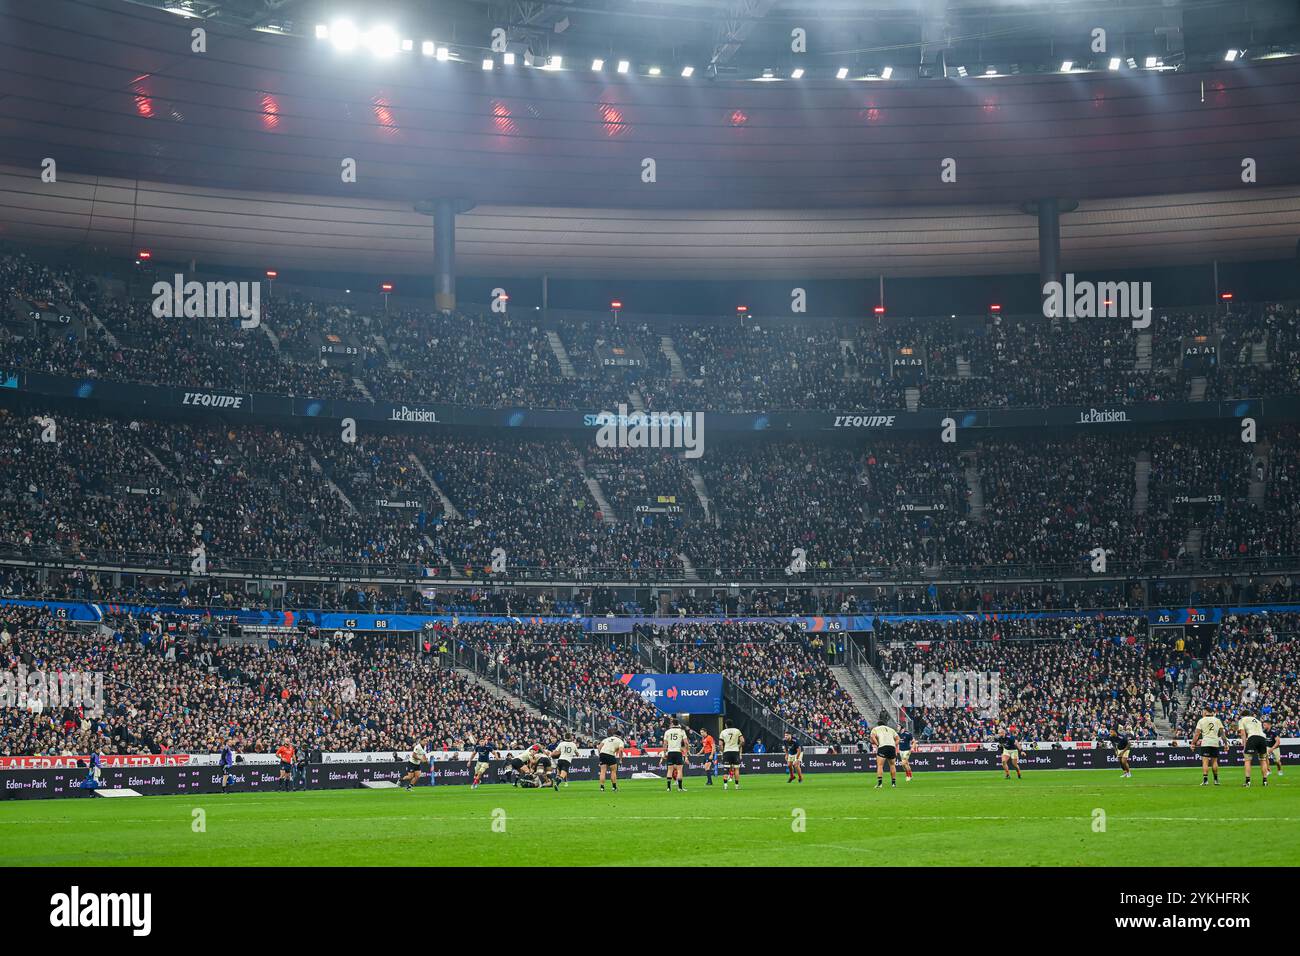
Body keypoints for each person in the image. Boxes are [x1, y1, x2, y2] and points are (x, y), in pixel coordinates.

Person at [1192, 707, 1225, 786]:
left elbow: (1197, 734)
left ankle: (1205, 780)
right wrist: (1226, 744)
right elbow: (1222, 734)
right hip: (1215, 742)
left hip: (1206, 742)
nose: (1202, 713)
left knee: (1205, 762)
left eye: (1203, 711)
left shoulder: (1201, 720)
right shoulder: (1217, 720)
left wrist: (1193, 743)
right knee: (1214, 762)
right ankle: (1216, 780)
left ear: (1206, 712)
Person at [1238, 709, 1270, 788]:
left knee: (1248, 760)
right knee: (1263, 760)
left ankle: (1247, 782)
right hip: (1262, 738)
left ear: (1243, 715)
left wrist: (1244, 745)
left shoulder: (1242, 720)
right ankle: (1265, 781)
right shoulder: (1257, 720)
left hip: (1252, 737)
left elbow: (1242, 733)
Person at [870, 715, 899, 789]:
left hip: (883, 746)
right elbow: (898, 739)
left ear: (878, 724)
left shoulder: (875, 729)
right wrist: (894, 745)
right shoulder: (891, 729)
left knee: (880, 765)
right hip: (891, 747)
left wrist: (877, 744)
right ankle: (893, 784)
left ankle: (879, 784)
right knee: (892, 765)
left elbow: (872, 737)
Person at [661, 719, 688, 792]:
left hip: (670, 752)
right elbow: (686, 743)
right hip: (678, 752)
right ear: (678, 724)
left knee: (670, 770)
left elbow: (665, 744)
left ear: (672, 724)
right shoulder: (681, 731)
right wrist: (686, 751)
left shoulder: (667, 731)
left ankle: (668, 788)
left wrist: (664, 753)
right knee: (679, 770)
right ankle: (680, 788)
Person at [718, 721, 744, 790]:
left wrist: (722, 751)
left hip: (727, 751)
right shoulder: (737, 731)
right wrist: (738, 747)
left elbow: (720, 744)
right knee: (736, 768)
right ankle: (736, 785)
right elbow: (742, 741)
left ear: (726, 725)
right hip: (735, 751)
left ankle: (725, 785)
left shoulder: (723, 732)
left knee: (726, 768)